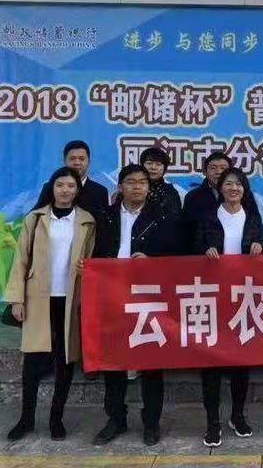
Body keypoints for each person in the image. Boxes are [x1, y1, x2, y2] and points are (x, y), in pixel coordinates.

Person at [4, 167, 95, 441]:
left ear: (77, 190)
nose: (65, 190)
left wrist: (86, 270)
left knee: (65, 361)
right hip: (38, 298)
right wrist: (17, 299)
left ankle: (57, 418)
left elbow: (93, 260)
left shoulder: (87, 221)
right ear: (52, 188)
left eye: (71, 185)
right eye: (60, 185)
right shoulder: (35, 218)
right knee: (33, 361)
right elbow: (20, 260)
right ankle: (26, 419)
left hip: (70, 299)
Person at [92, 164, 174, 447]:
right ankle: (116, 418)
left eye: (142, 182)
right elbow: (94, 252)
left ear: (149, 188)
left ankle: (151, 422)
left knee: (151, 363)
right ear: (120, 186)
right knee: (113, 360)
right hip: (112, 296)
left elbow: (176, 257)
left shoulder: (162, 217)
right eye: (130, 181)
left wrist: (153, 263)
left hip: (148, 297)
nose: (137, 186)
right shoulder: (105, 216)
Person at [194, 167, 263, 448]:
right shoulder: (209, 216)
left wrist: (258, 247)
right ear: (219, 188)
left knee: (240, 362)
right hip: (212, 297)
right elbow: (193, 249)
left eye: (239, 184)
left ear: (244, 189)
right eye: (228, 184)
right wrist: (205, 252)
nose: (234, 188)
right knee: (210, 362)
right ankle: (212, 421)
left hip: (243, 298)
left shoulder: (253, 217)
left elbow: (262, 250)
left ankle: (237, 415)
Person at [182, 152, 260, 254]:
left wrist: (258, 244)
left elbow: (256, 225)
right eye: (213, 168)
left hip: (242, 256)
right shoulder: (193, 197)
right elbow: (186, 232)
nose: (218, 172)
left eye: (223, 168)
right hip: (203, 258)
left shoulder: (244, 194)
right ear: (205, 172)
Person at [34, 140, 109, 218]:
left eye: (82, 159)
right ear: (64, 161)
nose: (77, 162)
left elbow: (104, 221)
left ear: (89, 161)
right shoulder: (50, 187)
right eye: (72, 159)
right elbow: (35, 217)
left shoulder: (100, 191)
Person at [140, 146, 182, 221]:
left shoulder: (171, 192)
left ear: (164, 169)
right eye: (149, 163)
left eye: (158, 164)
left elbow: (176, 220)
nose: (153, 167)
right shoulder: (134, 188)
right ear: (142, 166)